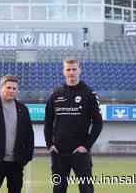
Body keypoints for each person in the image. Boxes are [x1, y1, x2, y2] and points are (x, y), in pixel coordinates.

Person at [44, 59, 103, 193]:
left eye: (74, 69)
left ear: (80, 70)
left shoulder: (89, 94)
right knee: (58, 188)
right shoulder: (56, 94)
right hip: (59, 152)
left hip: (80, 152)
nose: (71, 72)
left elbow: (98, 123)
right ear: (63, 71)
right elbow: (48, 121)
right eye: (68, 69)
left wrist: (86, 146)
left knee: (86, 188)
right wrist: (50, 144)